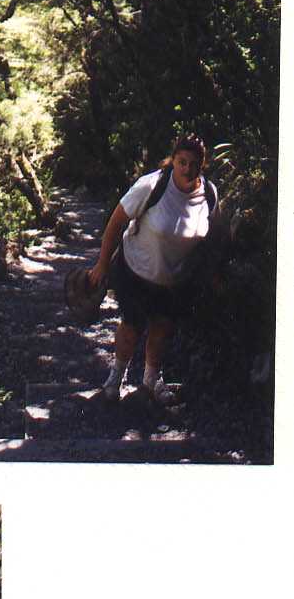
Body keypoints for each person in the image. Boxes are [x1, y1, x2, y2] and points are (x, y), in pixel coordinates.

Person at [89, 133, 224, 402]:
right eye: (182, 161)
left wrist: (215, 273)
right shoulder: (151, 186)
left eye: (193, 164)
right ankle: (115, 379)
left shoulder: (209, 195)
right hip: (135, 270)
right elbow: (116, 223)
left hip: (174, 278)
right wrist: (102, 264)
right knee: (132, 325)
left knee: (162, 327)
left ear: (202, 166)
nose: (187, 168)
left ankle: (151, 380)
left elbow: (216, 237)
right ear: (173, 160)